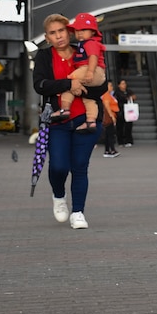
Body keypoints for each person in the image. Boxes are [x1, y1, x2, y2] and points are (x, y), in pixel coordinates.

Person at [32, 13, 108, 229]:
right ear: (47, 37)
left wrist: (82, 83)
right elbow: (40, 85)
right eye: (53, 33)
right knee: (58, 166)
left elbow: (102, 85)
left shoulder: (85, 49)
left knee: (80, 167)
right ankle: (58, 195)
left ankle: (78, 212)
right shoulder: (44, 57)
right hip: (58, 121)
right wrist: (68, 84)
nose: (59, 36)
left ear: (69, 31)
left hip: (86, 118)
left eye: (61, 31)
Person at [50, 12, 107, 134]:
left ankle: (64, 109)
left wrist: (90, 72)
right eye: (77, 30)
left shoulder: (90, 43)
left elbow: (93, 57)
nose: (79, 33)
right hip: (95, 73)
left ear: (92, 32)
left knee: (69, 82)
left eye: (84, 30)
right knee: (89, 98)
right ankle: (90, 121)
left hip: (91, 69)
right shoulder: (84, 43)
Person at [113, 79, 136, 147]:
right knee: (120, 126)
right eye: (122, 84)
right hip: (120, 111)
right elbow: (120, 99)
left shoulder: (129, 91)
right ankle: (121, 141)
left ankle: (128, 140)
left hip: (128, 111)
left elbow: (133, 96)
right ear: (119, 85)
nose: (124, 85)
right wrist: (127, 98)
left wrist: (131, 98)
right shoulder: (117, 92)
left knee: (128, 126)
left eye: (125, 83)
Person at [101, 81, 120, 158]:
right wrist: (111, 116)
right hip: (110, 116)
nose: (112, 87)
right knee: (110, 134)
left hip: (112, 114)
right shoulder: (106, 96)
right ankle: (111, 149)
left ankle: (108, 150)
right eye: (110, 85)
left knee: (109, 134)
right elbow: (107, 106)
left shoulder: (109, 95)